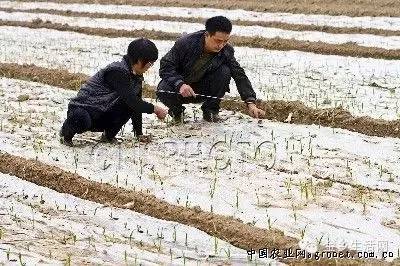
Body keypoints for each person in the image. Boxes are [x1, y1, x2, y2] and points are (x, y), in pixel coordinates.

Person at [60, 38, 168, 146]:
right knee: (82, 118)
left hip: (102, 113)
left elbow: (135, 104)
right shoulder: (117, 71)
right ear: (140, 60)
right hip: (84, 110)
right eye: (150, 63)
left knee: (128, 105)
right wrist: (154, 109)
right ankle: (66, 134)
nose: (150, 67)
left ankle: (108, 136)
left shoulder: (136, 77)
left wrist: (138, 133)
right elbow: (131, 101)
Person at [156, 16, 265, 123]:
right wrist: (180, 84)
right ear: (207, 35)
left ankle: (210, 111)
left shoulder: (226, 51)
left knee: (225, 71)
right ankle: (177, 112)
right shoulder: (186, 43)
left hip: (202, 90)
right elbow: (166, 66)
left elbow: (239, 75)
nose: (221, 45)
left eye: (225, 41)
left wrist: (250, 103)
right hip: (180, 89)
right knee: (162, 89)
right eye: (218, 41)